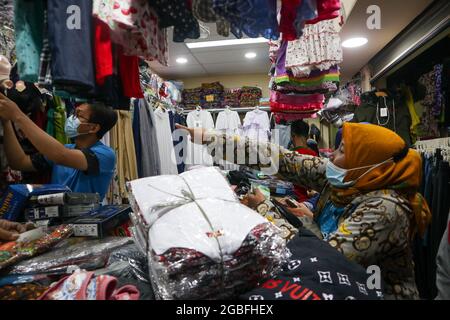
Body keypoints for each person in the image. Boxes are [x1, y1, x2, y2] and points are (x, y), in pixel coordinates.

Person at [176, 122, 432, 300]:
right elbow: (281, 159)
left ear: (368, 162)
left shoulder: (387, 209)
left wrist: (265, 209)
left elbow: (323, 261)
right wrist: (209, 138)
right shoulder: (349, 178)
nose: (331, 157)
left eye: (343, 151)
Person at [0, 91, 117, 200]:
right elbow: (19, 162)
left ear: (93, 128)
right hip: (56, 219)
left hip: (86, 218)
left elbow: (61, 156)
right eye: (73, 114)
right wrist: (6, 122)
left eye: (79, 116)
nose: (72, 118)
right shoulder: (67, 148)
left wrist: (18, 115)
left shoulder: (105, 155)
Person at [289, 120, 318, 203]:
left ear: (293, 135)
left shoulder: (291, 155)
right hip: (310, 202)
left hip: (293, 201)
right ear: (308, 136)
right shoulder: (314, 155)